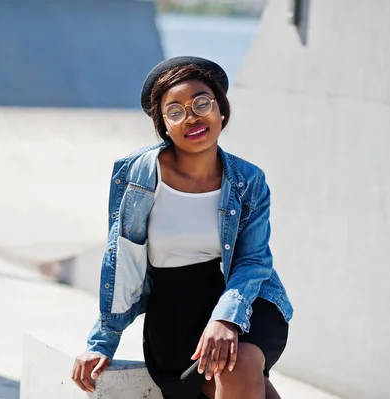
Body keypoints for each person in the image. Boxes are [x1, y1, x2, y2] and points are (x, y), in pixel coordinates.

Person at [71, 56, 293, 399]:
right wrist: (102, 342)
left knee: (238, 361)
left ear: (221, 109)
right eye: (175, 111)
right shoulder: (138, 176)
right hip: (176, 313)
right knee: (248, 380)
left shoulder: (249, 180)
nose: (191, 116)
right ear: (163, 125)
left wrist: (227, 320)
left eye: (202, 103)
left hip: (245, 301)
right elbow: (123, 259)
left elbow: (253, 260)